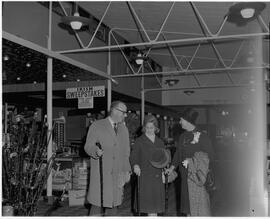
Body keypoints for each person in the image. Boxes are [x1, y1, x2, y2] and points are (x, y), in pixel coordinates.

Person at [84, 101, 131, 216]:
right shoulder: (97, 125)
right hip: (101, 174)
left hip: (117, 174)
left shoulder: (124, 129)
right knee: (97, 204)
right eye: (123, 112)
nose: (125, 115)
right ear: (114, 111)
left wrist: (126, 170)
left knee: (113, 205)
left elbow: (126, 152)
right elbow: (88, 146)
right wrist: (95, 151)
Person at [166, 108, 214, 216]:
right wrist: (172, 168)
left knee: (198, 209)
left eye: (181, 119)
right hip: (185, 179)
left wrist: (192, 161)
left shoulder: (203, 137)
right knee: (187, 208)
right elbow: (178, 154)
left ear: (188, 121)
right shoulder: (183, 136)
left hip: (197, 179)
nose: (180, 122)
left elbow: (210, 156)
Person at [130, 115, 170, 216]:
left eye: (151, 128)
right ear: (144, 128)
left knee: (155, 207)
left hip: (157, 176)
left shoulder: (160, 142)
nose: (149, 130)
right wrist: (135, 165)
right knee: (148, 206)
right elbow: (134, 156)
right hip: (145, 176)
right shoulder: (140, 141)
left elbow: (163, 158)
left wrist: (164, 170)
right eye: (147, 127)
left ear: (156, 128)